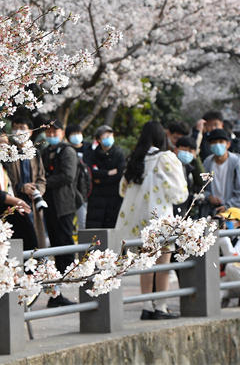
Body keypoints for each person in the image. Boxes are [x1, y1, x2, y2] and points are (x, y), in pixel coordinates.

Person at [116, 121, 188, 320]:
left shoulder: (135, 158)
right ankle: (161, 307)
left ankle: (147, 306)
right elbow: (180, 193)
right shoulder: (167, 157)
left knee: (144, 262)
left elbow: (123, 190)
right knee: (163, 263)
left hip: (138, 219)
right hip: (160, 217)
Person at [42, 119, 81, 307]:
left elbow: (68, 175)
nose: (51, 134)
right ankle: (55, 294)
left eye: (54, 131)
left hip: (64, 206)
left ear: (62, 132)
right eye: (48, 131)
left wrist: (44, 182)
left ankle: (62, 289)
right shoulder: (45, 152)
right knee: (54, 248)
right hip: (48, 206)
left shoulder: (68, 151)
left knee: (65, 247)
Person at [0, 131, 39, 250]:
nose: (4, 145)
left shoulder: (3, 165)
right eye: (0, 142)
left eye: (7, 142)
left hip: (9, 206)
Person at [6, 116, 48, 245]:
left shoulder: (34, 153)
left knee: (37, 237)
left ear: (30, 132)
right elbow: (6, 179)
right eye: (15, 128)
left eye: (22, 128)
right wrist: (20, 187)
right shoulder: (7, 152)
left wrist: (37, 190)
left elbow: (41, 177)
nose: (18, 131)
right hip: (15, 200)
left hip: (33, 201)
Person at [198, 129, 240, 219]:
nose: (217, 145)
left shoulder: (236, 162)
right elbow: (203, 187)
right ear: (210, 145)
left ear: (228, 144)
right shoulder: (207, 163)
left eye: (221, 142)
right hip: (211, 212)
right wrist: (209, 197)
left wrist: (227, 206)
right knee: (211, 232)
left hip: (233, 213)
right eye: (214, 142)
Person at [85, 125, 125, 228]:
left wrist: (100, 180)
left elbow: (119, 175)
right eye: (105, 136)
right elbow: (90, 172)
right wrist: (108, 173)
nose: (109, 138)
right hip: (96, 199)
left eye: (110, 135)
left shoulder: (118, 154)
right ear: (98, 139)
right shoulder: (92, 155)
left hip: (114, 197)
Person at [66, 123, 91, 233]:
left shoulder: (89, 149)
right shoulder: (66, 150)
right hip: (70, 191)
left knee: (83, 222)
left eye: (78, 133)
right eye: (73, 134)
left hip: (85, 190)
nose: (76, 136)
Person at [174, 136, 204, 218]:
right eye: (184, 150)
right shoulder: (171, 167)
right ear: (176, 150)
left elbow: (202, 180)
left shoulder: (190, 168)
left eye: (190, 151)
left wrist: (196, 160)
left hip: (186, 210)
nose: (187, 153)